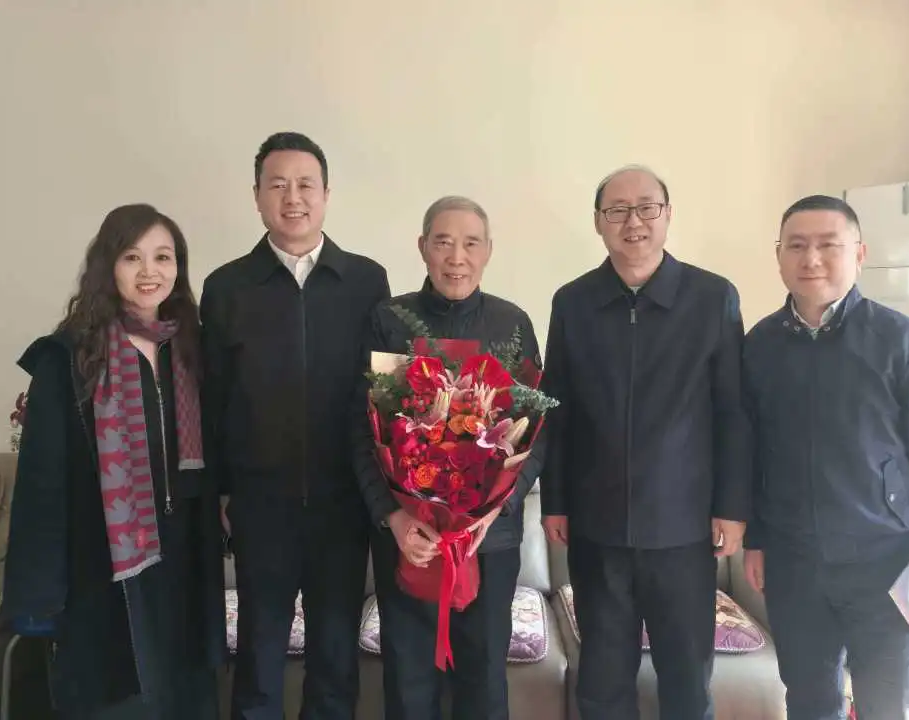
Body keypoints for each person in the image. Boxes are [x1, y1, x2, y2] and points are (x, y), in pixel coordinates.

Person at [741, 194, 909, 719]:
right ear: (779, 256)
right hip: (794, 562)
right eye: (796, 246)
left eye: (828, 245)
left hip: (886, 563)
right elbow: (752, 456)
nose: (812, 259)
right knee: (809, 702)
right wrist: (756, 540)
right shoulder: (759, 347)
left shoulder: (905, 344)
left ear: (859, 253)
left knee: (887, 704)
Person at [538, 165, 750, 719]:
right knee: (603, 679)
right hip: (597, 528)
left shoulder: (712, 298)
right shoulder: (573, 302)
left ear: (667, 214)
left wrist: (732, 507)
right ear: (598, 222)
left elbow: (733, 411)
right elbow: (556, 408)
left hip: (683, 529)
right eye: (617, 210)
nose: (633, 222)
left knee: (686, 678)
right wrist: (555, 501)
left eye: (646, 207)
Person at [2, 203, 226, 719]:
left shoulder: (190, 348)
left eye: (163, 257)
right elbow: (42, 484)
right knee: (119, 698)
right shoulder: (68, 358)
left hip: (184, 559)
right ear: (108, 265)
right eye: (132, 257)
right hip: (104, 567)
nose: (150, 271)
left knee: (183, 697)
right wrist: (38, 596)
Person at [200, 131, 390, 720]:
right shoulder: (226, 287)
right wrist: (221, 491)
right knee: (259, 653)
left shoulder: (366, 281)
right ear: (257, 196)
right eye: (277, 185)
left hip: (343, 503)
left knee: (335, 656)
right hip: (260, 505)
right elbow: (212, 398)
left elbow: (382, 396)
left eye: (306, 184)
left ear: (326, 194)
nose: (293, 197)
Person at [351, 195, 544, 720]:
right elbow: (361, 429)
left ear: (488, 251)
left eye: (470, 244)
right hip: (411, 539)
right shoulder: (389, 321)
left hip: (488, 543)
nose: (456, 257)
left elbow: (535, 435)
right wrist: (394, 517)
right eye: (443, 242)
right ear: (423, 248)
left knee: (483, 681)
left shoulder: (512, 323)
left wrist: (494, 512)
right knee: (409, 682)